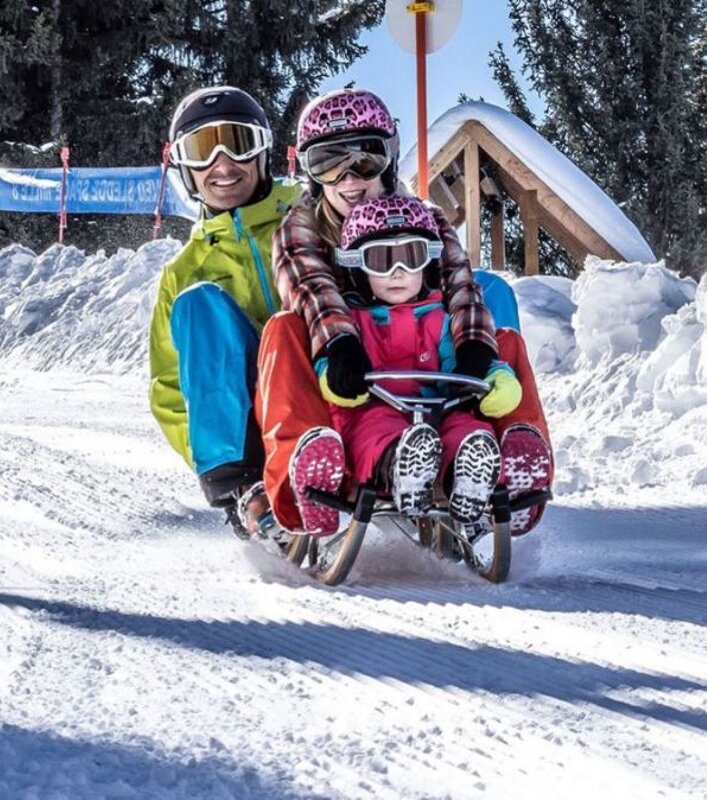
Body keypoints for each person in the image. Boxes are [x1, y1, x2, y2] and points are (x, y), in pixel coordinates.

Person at [258, 87, 553, 536]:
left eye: (365, 161)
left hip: (426, 363)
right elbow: (312, 289)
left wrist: (474, 346)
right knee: (282, 330)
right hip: (348, 374)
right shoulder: (302, 226)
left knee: (502, 335)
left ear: (390, 159)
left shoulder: (426, 219)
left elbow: (459, 283)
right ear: (311, 173)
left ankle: (513, 473)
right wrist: (340, 343)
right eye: (328, 165)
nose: (349, 180)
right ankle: (308, 471)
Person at [148, 86, 301, 538]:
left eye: (236, 141)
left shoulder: (307, 216)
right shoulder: (185, 272)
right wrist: (207, 451)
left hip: (329, 387)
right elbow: (172, 389)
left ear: (262, 150)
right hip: (252, 424)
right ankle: (242, 484)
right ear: (184, 167)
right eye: (201, 149)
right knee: (199, 304)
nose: (221, 163)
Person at [317, 195, 522, 524]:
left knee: (466, 427)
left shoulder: (439, 319)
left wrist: (492, 376)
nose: (397, 272)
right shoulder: (353, 321)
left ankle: (468, 475)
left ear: (427, 264)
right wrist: (335, 375)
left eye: (410, 257)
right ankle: (400, 468)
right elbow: (328, 364)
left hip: (439, 409)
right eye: (382, 260)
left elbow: (459, 362)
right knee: (374, 433)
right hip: (376, 408)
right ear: (357, 267)